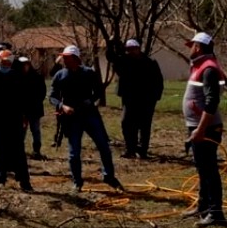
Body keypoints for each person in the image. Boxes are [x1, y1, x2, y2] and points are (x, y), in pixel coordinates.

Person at [48, 45, 124, 195]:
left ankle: (109, 177)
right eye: (63, 58)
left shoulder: (88, 73)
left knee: (104, 147)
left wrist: (89, 101)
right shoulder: (60, 75)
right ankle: (77, 182)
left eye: (67, 58)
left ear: (76, 59)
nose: (64, 60)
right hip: (71, 118)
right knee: (74, 153)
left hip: (90, 115)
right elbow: (52, 97)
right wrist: (63, 106)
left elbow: (99, 91)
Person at [182, 32, 226, 227]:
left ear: (198, 47)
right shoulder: (200, 66)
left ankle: (215, 212)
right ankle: (203, 206)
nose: (190, 48)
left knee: (209, 170)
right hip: (198, 126)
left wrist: (200, 129)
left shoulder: (209, 69)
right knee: (202, 169)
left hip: (206, 128)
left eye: (192, 45)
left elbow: (212, 102)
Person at [107, 38, 164, 159]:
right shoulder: (124, 61)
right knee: (127, 123)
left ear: (138, 49)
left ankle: (143, 151)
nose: (131, 51)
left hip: (147, 99)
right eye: (128, 49)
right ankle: (130, 149)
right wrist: (111, 43)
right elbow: (111, 57)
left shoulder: (150, 62)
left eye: (133, 49)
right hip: (129, 98)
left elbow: (158, 81)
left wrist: (156, 97)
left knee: (144, 125)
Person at [0, 50, 32, 191]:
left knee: (18, 150)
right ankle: (1, 178)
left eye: (8, 62)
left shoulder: (18, 77)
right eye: (3, 61)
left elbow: (24, 98)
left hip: (14, 119)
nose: (5, 64)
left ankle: (24, 181)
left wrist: (25, 116)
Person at [18, 56, 47, 160]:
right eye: (22, 65)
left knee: (35, 130)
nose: (24, 66)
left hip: (34, 109)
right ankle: (19, 151)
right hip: (21, 110)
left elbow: (42, 92)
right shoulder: (17, 77)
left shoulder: (37, 77)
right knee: (21, 131)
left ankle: (36, 151)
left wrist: (35, 103)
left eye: (26, 64)